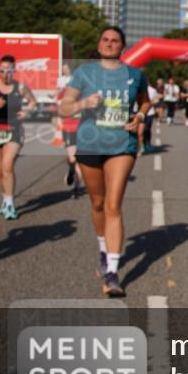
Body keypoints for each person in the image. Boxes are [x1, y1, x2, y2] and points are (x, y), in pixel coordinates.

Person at [59, 27, 150, 297]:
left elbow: (145, 102)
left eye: (116, 41)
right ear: (99, 45)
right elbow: (64, 107)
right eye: (106, 40)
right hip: (90, 143)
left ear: (123, 46)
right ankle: (103, 249)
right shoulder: (84, 73)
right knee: (97, 202)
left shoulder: (135, 75)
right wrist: (83, 103)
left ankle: (112, 273)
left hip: (122, 144)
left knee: (113, 204)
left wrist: (141, 117)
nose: (110, 44)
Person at [0, 55, 38, 220]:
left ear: (14, 71)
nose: (5, 73)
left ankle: (10, 204)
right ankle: (5, 199)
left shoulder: (20, 87)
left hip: (14, 128)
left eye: (9, 70)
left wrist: (26, 112)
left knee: (7, 166)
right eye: (2, 70)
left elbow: (33, 101)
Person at [56, 63, 83, 195]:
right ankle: (71, 170)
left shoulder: (86, 91)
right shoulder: (63, 93)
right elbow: (60, 111)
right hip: (69, 128)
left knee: (81, 158)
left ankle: (76, 187)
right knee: (73, 159)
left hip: (83, 128)